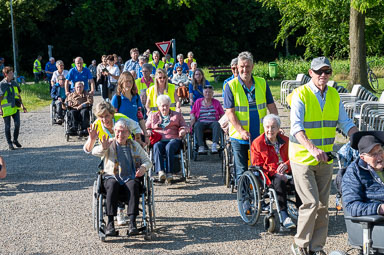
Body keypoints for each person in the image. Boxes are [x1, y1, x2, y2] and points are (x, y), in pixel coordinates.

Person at [288, 57, 358, 255]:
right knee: (310, 202)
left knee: (322, 206)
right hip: (302, 158)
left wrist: (360, 139)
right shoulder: (300, 94)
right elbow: (296, 128)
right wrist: (312, 148)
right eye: (319, 72)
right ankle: (300, 245)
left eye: (327, 72)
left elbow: (345, 123)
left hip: (325, 158)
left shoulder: (334, 95)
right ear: (311, 73)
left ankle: (316, 247)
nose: (323, 75)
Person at [224, 51, 278, 184]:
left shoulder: (262, 83)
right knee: (242, 171)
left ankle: (259, 197)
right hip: (240, 136)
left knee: (261, 168)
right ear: (237, 67)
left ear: (252, 67)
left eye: (247, 66)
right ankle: (245, 202)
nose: (244, 69)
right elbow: (230, 112)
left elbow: (271, 106)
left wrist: (277, 126)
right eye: (242, 66)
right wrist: (241, 130)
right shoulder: (231, 86)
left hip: (260, 134)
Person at [91, 119, 152, 236]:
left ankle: (132, 224)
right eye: (118, 131)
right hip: (112, 176)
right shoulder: (109, 143)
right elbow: (95, 152)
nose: (121, 134)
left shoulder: (134, 145)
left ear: (129, 133)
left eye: (124, 132)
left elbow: (147, 161)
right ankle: (110, 224)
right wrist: (103, 148)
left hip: (130, 176)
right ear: (114, 131)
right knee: (112, 184)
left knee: (134, 185)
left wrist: (143, 168)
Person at [251, 114, 300, 229]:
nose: (270, 130)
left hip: (288, 172)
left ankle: (302, 211)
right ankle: (284, 216)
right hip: (269, 176)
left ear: (278, 128)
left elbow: (295, 157)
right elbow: (257, 165)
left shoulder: (287, 141)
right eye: (267, 127)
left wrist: (286, 165)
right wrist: (277, 172)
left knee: (300, 181)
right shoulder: (257, 143)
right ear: (263, 128)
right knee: (279, 181)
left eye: (273, 127)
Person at [145, 95, 188, 182]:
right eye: (162, 105)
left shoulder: (177, 115)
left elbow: (185, 126)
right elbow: (146, 128)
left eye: (166, 105)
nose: (164, 108)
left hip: (174, 139)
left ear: (170, 105)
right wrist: (148, 131)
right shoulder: (153, 116)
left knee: (169, 146)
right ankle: (160, 172)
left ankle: (169, 173)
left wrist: (182, 130)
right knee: (156, 146)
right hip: (159, 139)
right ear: (158, 106)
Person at [342, 131, 384, 217]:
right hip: (377, 221)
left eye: (380, 151)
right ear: (363, 157)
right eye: (373, 154)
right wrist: (380, 208)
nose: (379, 157)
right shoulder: (353, 172)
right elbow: (351, 206)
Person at [111, 72, 149, 145]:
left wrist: (145, 134)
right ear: (121, 83)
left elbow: (140, 117)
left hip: (136, 133)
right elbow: (112, 118)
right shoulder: (117, 98)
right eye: (126, 81)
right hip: (122, 135)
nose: (129, 83)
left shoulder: (136, 97)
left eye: (130, 81)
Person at [190, 85, 224, 153]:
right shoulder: (198, 102)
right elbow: (192, 112)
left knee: (217, 124)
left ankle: (214, 145)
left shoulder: (216, 102)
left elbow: (222, 113)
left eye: (209, 92)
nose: (208, 94)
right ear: (203, 93)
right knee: (197, 125)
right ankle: (201, 146)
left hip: (213, 122)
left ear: (212, 93)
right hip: (201, 122)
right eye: (206, 92)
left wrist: (223, 121)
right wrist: (193, 118)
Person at [0, 66, 27, 150]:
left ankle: (15, 140)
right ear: (5, 74)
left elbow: (18, 95)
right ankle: (9, 143)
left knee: (17, 124)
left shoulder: (14, 83)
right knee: (7, 127)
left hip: (15, 107)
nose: (12, 74)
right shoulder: (2, 84)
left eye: (12, 72)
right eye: (10, 73)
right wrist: (0, 109)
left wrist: (23, 106)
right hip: (6, 109)